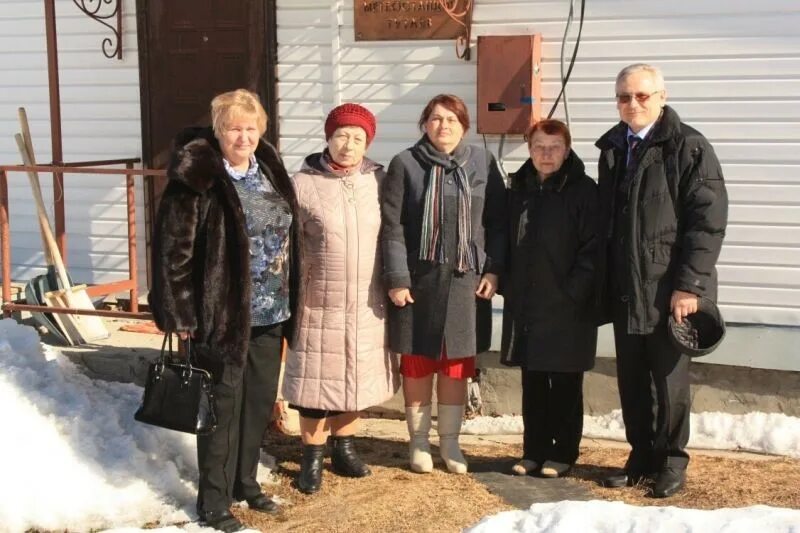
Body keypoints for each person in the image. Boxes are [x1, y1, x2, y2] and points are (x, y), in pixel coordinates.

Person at [149, 89, 299, 532]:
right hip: (222, 314)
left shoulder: (267, 169)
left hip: (272, 309)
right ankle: (213, 503)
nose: (244, 136)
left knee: (255, 403)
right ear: (219, 130)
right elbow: (173, 251)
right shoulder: (198, 176)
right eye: (235, 127)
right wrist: (182, 314)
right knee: (220, 408)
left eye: (251, 128)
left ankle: (245, 483)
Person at [595, 64, 728, 497]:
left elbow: (707, 223)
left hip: (669, 290)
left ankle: (671, 461)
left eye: (641, 96)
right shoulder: (614, 147)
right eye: (623, 97)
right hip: (626, 288)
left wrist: (689, 286)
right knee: (632, 379)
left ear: (662, 97)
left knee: (669, 382)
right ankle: (641, 456)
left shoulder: (688, 147)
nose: (632, 104)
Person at [382, 94, 507, 474]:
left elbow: (498, 224)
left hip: (467, 283)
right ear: (424, 124)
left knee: (456, 364)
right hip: (418, 284)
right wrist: (398, 277)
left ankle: (451, 444)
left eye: (452, 119)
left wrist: (493, 270)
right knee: (418, 362)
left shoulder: (483, 162)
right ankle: (419, 443)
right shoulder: (405, 164)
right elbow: (392, 226)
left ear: (464, 125)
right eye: (436, 119)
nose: (444, 126)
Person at [282, 103, 400, 494]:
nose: (348, 145)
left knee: (355, 378)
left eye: (358, 138)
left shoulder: (379, 181)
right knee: (316, 385)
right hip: (318, 300)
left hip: (367, 300)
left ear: (368, 143)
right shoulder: (301, 183)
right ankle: (311, 458)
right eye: (341, 136)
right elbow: (287, 245)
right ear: (328, 139)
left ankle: (345, 449)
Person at [500, 119, 598, 478]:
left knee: (566, 383)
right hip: (528, 304)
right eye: (539, 146)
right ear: (529, 148)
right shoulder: (519, 188)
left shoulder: (584, 191)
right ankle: (533, 451)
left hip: (570, 305)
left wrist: (574, 290)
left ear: (568, 150)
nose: (546, 154)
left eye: (555, 147)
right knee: (534, 382)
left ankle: (563, 452)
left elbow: (593, 249)